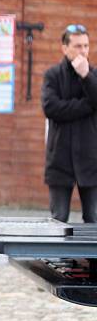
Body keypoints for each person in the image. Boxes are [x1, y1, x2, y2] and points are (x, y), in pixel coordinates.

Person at [42, 24, 97, 223]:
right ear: (65, 48)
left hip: (91, 160)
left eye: (86, 46)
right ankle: (59, 257)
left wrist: (86, 76)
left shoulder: (94, 76)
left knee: (94, 219)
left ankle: (92, 256)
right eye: (77, 46)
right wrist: (86, 106)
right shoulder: (53, 75)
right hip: (60, 159)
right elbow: (51, 108)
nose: (83, 51)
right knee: (58, 220)